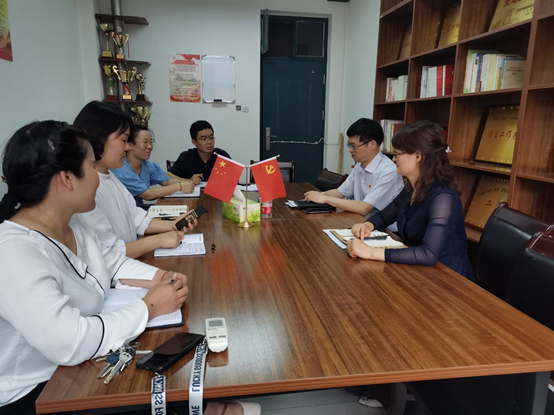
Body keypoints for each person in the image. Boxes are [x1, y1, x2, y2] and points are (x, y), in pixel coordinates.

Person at [0, 121, 189, 414]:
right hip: (37, 391)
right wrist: (149, 307)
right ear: (67, 178)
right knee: (173, 394)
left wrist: (162, 277)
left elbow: (111, 262)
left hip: (81, 364)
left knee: (177, 375)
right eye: (91, 167)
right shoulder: (13, 251)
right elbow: (69, 341)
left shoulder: (73, 224)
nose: (98, 178)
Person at [347, 120, 474, 281]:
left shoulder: (444, 198)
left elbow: (428, 254)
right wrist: (367, 225)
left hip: (448, 279)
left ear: (417, 156)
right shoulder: (411, 188)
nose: (394, 160)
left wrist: (370, 252)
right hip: (418, 271)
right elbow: (385, 216)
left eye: (397, 154)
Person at [72, 101, 193, 259]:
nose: (128, 147)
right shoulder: (84, 190)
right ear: (98, 139)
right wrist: (158, 240)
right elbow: (109, 253)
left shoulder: (110, 176)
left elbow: (135, 217)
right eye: (124, 140)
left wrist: (173, 224)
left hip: (129, 261)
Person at [304, 118, 403, 220]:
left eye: (354, 146)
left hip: (383, 227)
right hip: (359, 221)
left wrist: (325, 198)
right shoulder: (359, 165)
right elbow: (341, 192)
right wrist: (318, 195)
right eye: (349, 145)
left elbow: (364, 208)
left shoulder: (388, 172)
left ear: (372, 144)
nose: (350, 150)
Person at [111, 124, 195, 209]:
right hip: (125, 213)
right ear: (130, 145)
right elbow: (148, 195)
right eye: (145, 142)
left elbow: (166, 181)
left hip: (138, 210)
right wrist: (180, 186)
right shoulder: (121, 170)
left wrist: (188, 183)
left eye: (151, 142)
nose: (150, 146)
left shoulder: (147, 165)